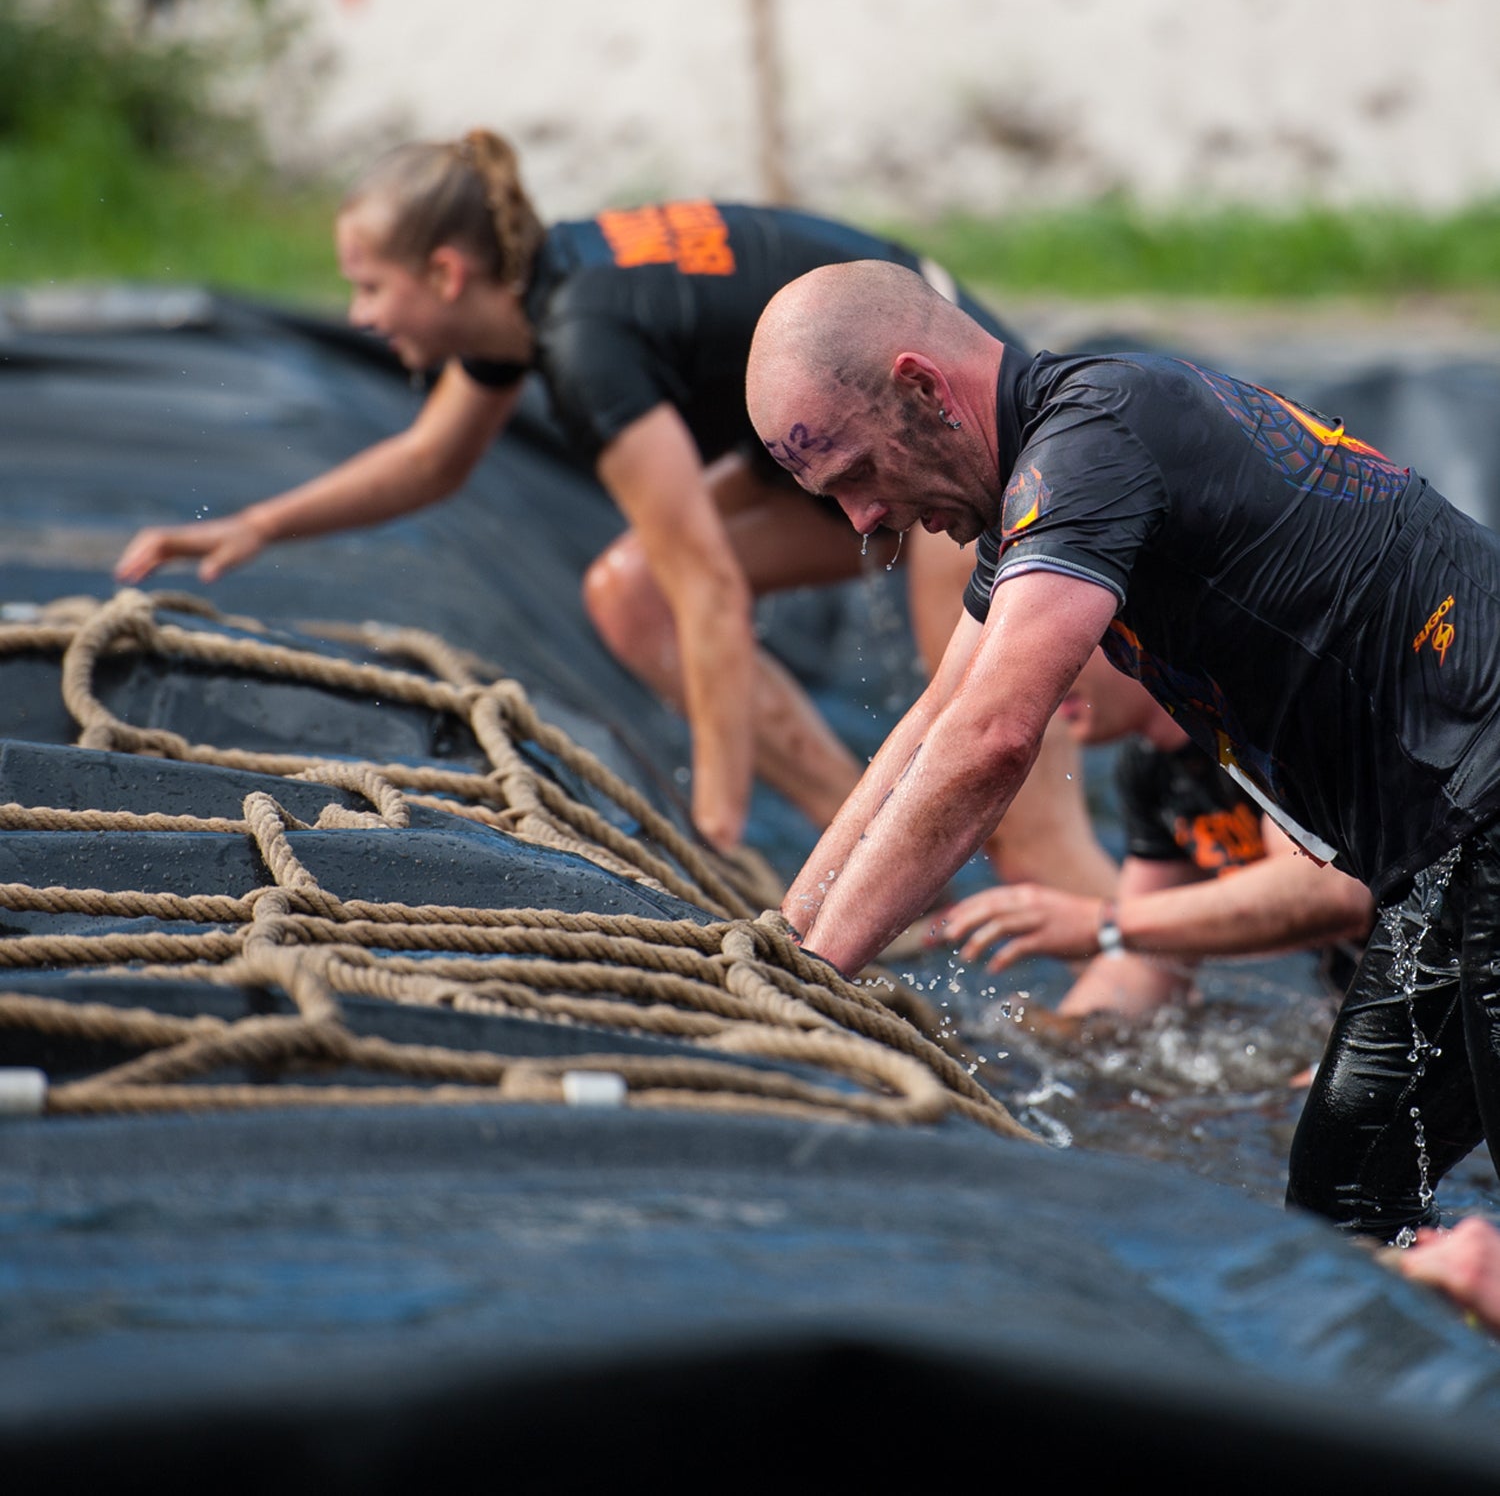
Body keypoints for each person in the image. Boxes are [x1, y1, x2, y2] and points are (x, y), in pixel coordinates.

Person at [114, 130, 1112, 895]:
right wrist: (257, 526)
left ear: (448, 275)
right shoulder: (531, 304)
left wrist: (713, 825)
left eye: (370, 287)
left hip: (945, 430)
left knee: (1001, 781)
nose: (362, 316)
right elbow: (429, 461)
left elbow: (711, 588)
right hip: (834, 438)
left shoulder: (587, 343)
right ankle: (871, 866)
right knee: (628, 590)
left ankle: (1122, 974)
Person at [745, 257, 1500, 1243]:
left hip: (1481, 815)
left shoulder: (1090, 446)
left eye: (857, 476)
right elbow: (937, 715)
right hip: (1439, 858)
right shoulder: (1053, 472)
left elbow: (992, 739)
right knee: (1346, 1205)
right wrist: (788, 948)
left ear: (925, 388)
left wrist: (815, 996)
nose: (863, 522)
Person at [926, 648, 1375, 1021]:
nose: (1041, 667)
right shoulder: (1150, 768)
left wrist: (1100, 923)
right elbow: (1146, 965)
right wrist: (1052, 1043)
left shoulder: (1259, 720)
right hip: (1363, 998)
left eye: (1067, 643)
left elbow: (1333, 894)